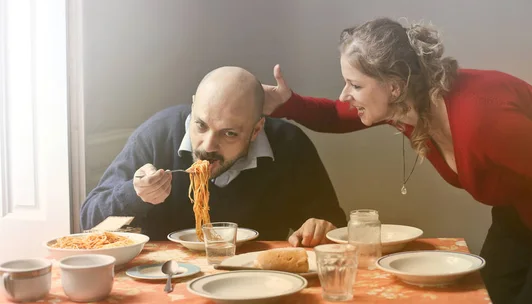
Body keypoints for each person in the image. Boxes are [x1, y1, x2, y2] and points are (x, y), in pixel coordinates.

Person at [262, 17, 532, 304]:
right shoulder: (406, 104)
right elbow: (337, 115)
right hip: (521, 204)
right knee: (486, 295)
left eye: (354, 85)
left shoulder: (482, 120)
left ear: (394, 86)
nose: (344, 95)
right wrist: (285, 103)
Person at [81, 66, 347, 247]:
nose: (207, 146)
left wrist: (321, 227)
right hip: (166, 279)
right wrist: (134, 194)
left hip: (257, 282)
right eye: (200, 125)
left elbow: (334, 227)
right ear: (194, 104)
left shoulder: (289, 145)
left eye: (229, 133)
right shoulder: (158, 134)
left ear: (256, 130)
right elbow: (90, 220)